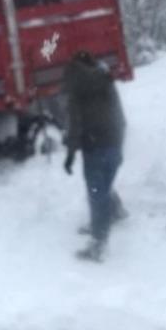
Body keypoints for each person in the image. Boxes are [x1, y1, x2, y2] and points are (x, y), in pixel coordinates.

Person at [61, 50, 126, 261]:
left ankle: (99, 244)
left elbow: (75, 126)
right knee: (104, 184)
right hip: (113, 144)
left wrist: (70, 154)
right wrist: (119, 143)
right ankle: (116, 211)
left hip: (94, 147)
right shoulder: (106, 81)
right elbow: (119, 115)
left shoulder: (76, 89)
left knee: (96, 193)